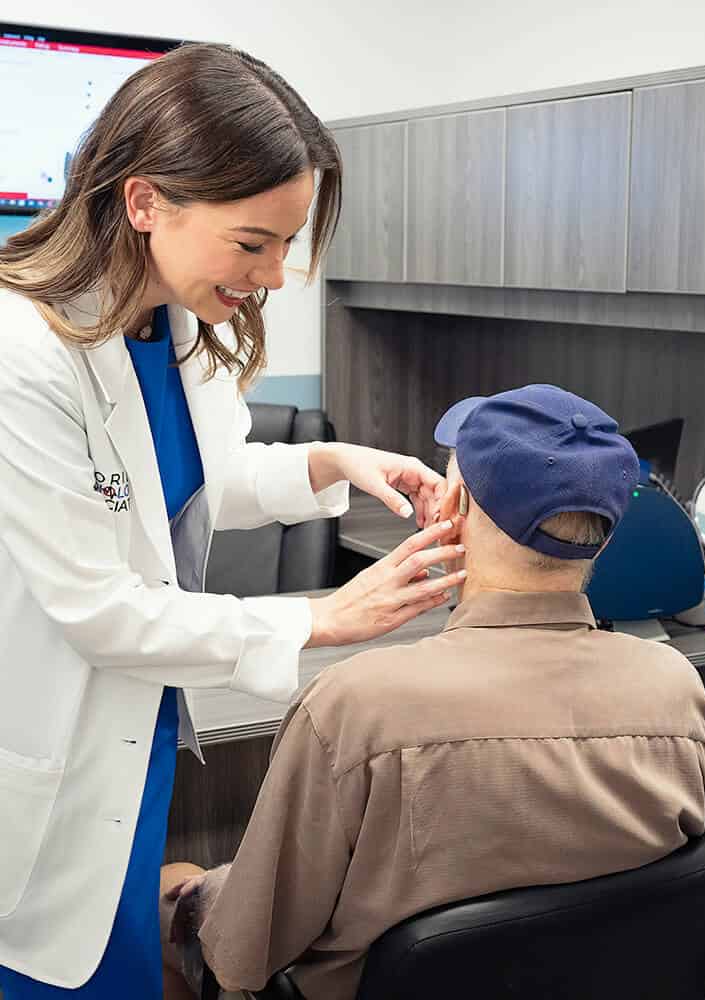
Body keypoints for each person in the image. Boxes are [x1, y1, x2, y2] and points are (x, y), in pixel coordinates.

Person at [0, 43, 466, 999]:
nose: (274, 276)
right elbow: (102, 609)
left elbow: (197, 482)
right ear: (144, 203)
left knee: (115, 955)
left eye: (287, 246)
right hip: (42, 751)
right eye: (252, 243)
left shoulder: (173, 326)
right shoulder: (24, 354)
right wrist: (317, 618)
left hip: (129, 757)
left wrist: (335, 463)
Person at [159, 384, 705, 1000]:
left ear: (451, 505)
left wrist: (195, 897)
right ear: (607, 534)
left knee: (168, 892)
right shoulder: (678, 693)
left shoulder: (353, 710)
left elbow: (243, 956)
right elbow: (700, 886)